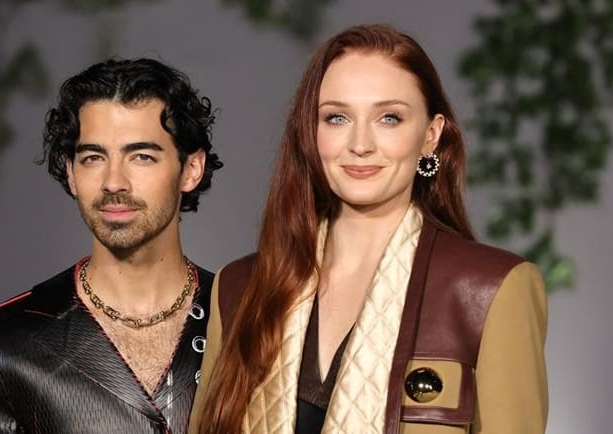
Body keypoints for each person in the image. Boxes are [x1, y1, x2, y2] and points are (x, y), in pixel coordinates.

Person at [191, 24, 547, 434]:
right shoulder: (239, 287)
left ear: (430, 136)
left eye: (389, 118)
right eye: (337, 117)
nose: (360, 144)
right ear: (311, 132)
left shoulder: (491, 291)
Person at [0, 58, 223, 433]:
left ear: (191, 169)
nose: (114, 182)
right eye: (93, 158)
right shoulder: (4, 343)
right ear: (72, 174)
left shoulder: (251, 317)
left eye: (141, 156)